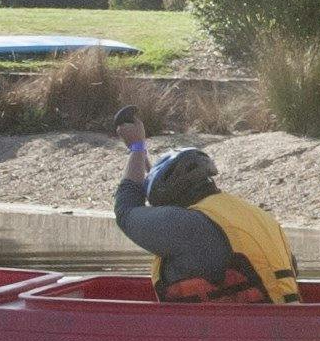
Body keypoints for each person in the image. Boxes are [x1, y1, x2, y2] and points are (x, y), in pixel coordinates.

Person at [110, 117, 298, 301]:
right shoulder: (256, 218)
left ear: (171, 196)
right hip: (284, 321)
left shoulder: (189, 225)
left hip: (239, 329)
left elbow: (126, 211)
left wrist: (137, 148)